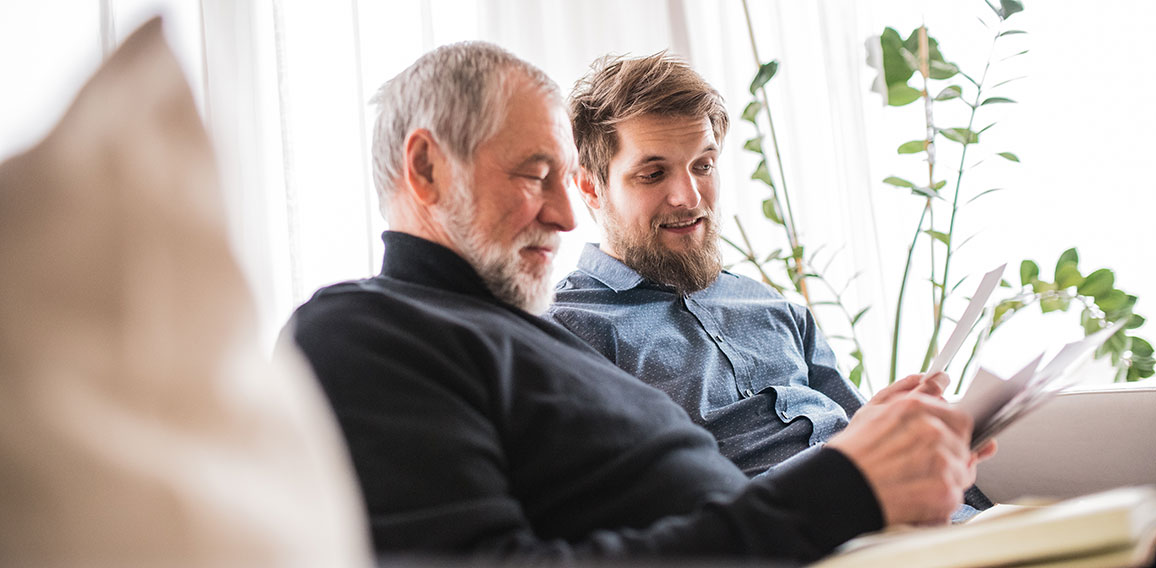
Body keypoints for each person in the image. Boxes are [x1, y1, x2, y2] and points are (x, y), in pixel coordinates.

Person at [285, 41, 989, 563]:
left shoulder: (531, 340)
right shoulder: (367, 331)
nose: (567, 218)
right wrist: (843, 490)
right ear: (426, 168)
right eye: (537, 176)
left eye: (565, 178)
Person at [546, 52, 992, 512]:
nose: (690, 197)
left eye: (703, 165)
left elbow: (859, 428)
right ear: (590, 188)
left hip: (922, 517)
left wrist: (894, 425)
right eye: (654, 173)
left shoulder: (765, 303)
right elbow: (643, 509)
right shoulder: (568, 332)